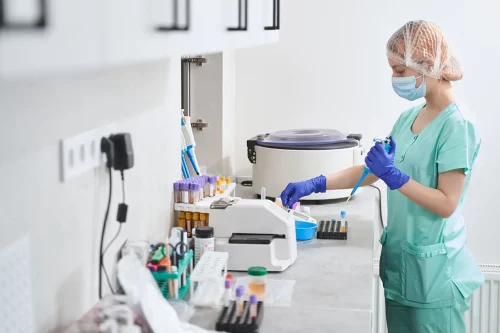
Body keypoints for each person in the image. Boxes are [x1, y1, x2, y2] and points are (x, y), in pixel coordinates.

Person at [280, 20, 484, 333]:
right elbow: (373, 171)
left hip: (435, 274)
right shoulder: (409, 116)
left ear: (427, 65)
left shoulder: (458, 125)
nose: (394, 79)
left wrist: (396, 177)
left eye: (400, 71)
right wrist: (315, 184)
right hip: (403, 265)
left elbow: (446, 204)